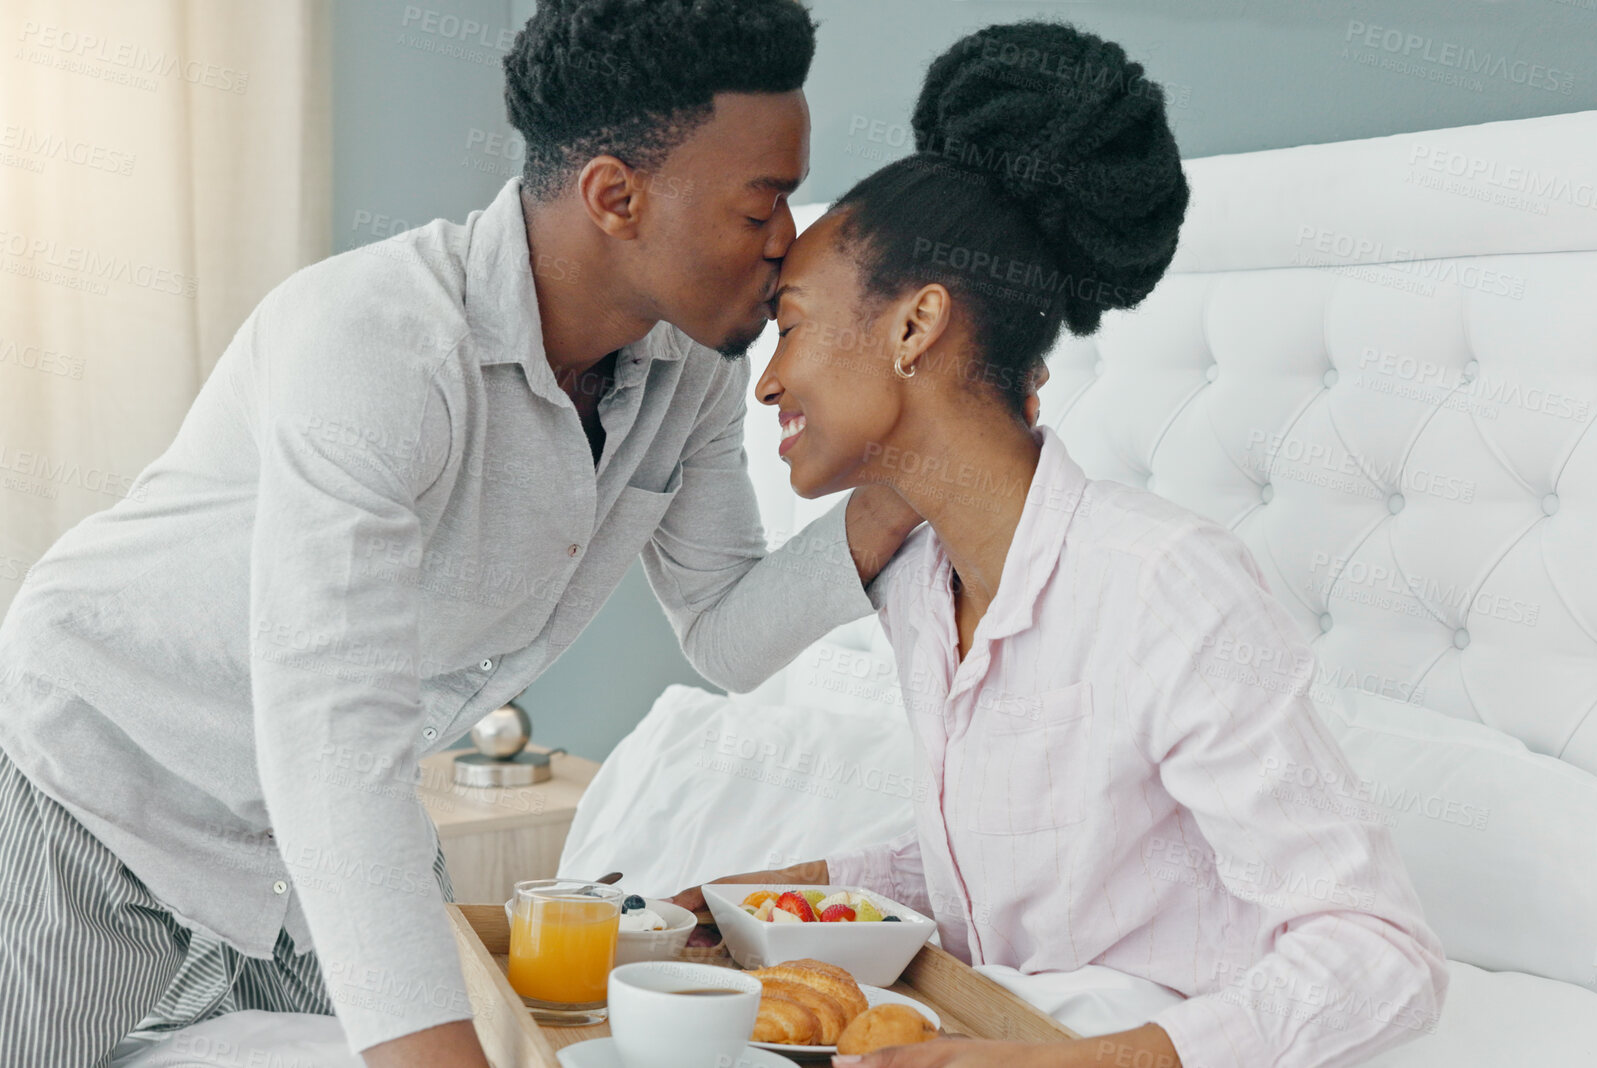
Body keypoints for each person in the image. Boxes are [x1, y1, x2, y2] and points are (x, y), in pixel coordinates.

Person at [0, 2, 926, 1066]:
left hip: (304, 831)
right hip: (97, 773)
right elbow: (330, 737)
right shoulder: (376, 344)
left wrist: (905, 489)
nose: (789, 246)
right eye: (762, 205)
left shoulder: (692, 372)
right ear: (614, 197)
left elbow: (725, 632)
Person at [670, 21, 1448, 1068]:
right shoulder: (917, 586)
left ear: (914, 328)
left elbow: (1380, 953)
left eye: (794, 323)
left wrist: (1067, 1063)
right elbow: (1005, 859)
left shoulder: (1163, 585)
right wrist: (758, 900)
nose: (766, 380)